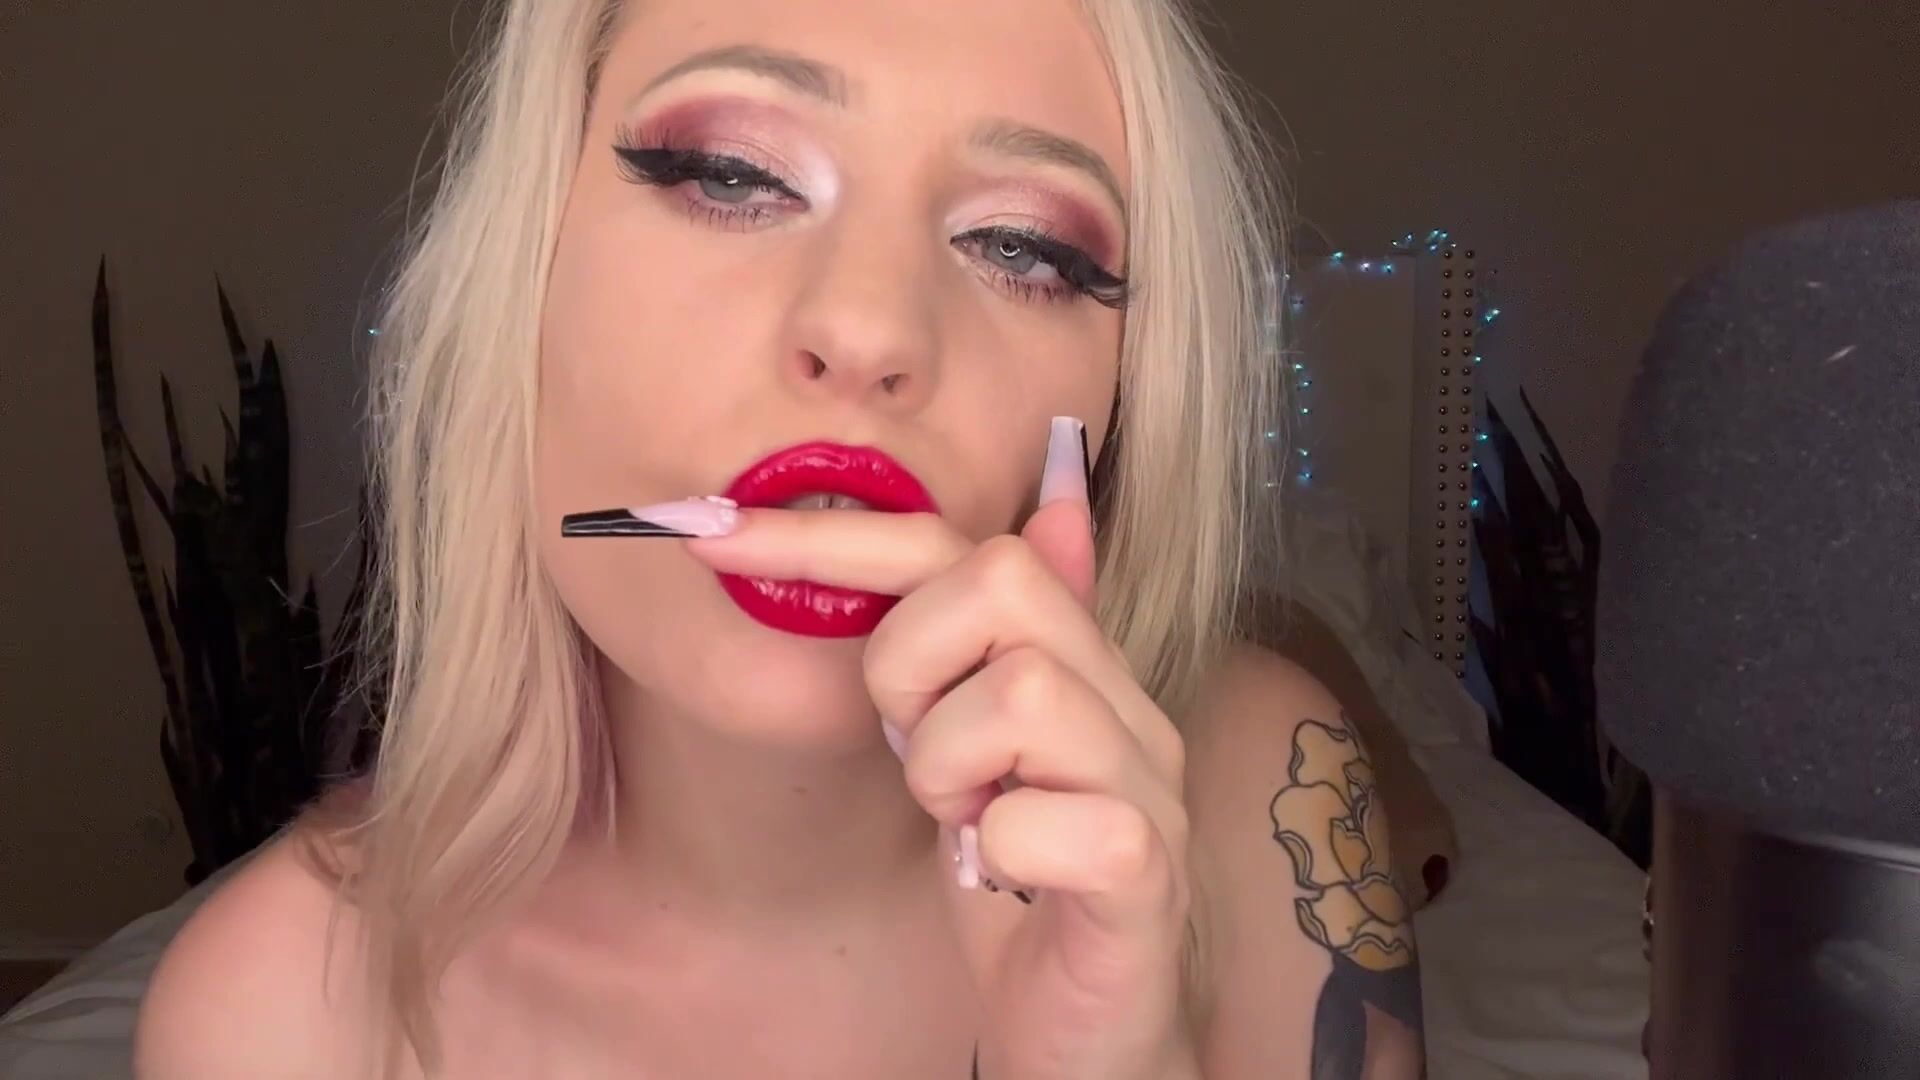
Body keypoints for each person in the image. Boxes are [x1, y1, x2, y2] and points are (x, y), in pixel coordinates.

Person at [134, 0, 1426, 1076]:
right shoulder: (276, 1010)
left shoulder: (1272, 801)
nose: (869, 328)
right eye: (733, 175)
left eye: (1022, 247)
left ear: (1124, 404)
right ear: (525, 269)